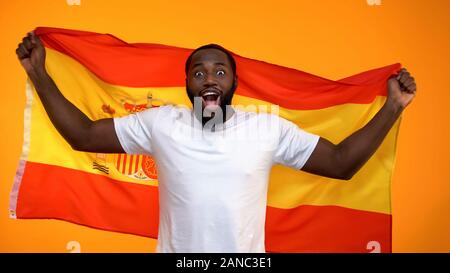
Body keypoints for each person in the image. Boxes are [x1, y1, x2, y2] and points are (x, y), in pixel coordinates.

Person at [16, 31, 417, 253]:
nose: (210, 78)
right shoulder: (161, 123)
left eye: (220, 72)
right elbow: (82, 135)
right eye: (200, 72)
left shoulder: (266, 129)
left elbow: (341, 163)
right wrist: (39, 73)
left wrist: (393, 107)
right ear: (187, 83)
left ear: (234, 84)